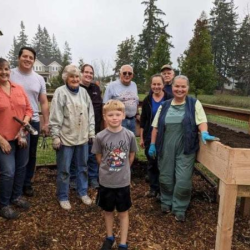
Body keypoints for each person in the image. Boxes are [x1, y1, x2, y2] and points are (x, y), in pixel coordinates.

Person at [148, 75, 217, 222]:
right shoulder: (165, 105)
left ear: (187, 88)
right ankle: (166, 201)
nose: (180, 89)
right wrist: (153, 144)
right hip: (166, 147)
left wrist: (204, 132)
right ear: (171, 87)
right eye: (176, 86)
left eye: (183, 87)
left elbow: (202, 120)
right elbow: (155, 127)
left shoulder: (193, 104)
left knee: (183, 180)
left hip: (185, 148)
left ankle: (179, 207)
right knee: (165, 176)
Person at [92, 100, 138, 250]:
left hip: (123, 182)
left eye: (118, 114)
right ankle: (109, 237)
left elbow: (131, 156)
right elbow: (99, 157)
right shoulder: (100, 137)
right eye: (110, 114)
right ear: (105, 116)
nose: (114, 117)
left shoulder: (130, 135)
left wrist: (123, 169)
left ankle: (123, 243)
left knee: (123, 212)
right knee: (108, 211)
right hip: (106, 181)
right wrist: (108, 169)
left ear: (123, 115)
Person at [49, 65, 95, 210]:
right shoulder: (60, 93)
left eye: (76, 77)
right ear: (66, 78)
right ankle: (63, 196)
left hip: (82, 137)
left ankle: (82, 192)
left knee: (83, 167)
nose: (75, 79)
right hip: (65, 138)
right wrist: (55, 135)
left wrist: (91, 132)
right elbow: (55, 115)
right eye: (71, 76)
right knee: (64, 169)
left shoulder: (83, 93)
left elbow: (90, 114)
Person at [10, 46, 50, 197]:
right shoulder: (10, 74)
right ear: (19, 57)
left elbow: (44, 102)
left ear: (34, 60)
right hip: (13, 121)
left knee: (31, 154)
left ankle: (27, 183)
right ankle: (12, 184)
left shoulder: (39, 79)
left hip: (32, 122)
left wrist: (45, 122)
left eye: (31, 58)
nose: (27, 59)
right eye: (24, 56)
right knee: (13, 154)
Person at [0, 58, 33, 219]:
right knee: (8, 171)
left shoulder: (18, 88)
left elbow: (29, 110)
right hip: (4, 140)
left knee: (21, 168)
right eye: (0, 69)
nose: (4, 72)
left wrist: (23, 128)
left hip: (21, 137)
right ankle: (4, 204)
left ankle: (16, 196)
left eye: (6, 69)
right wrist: (1, 140)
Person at [140, 74, 172, 198]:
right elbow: (143, 120)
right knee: (152, 163)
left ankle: (163, 189)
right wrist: (142, 138)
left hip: (165, 135)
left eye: (159, 84)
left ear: (163, 85)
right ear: (151, 85)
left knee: (163, 163)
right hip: (149, 135)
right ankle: (153, 188)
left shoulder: (169, 99)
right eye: (154, 84)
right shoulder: (148, 100)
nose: (156, 86)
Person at [70, 64, 102, 189]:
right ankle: (74, 178)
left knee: (93, 154)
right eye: (86, 72)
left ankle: (93, 178)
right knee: (76, 155)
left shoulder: (96, 88)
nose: (89, 75)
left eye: (91, 73)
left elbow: (100, 107)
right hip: (79, 128)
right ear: (81, 73)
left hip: (95, 128)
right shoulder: (76, 88)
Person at [103, 65, 139, 134]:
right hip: (118, 121)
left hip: (132, 121)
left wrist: (137, 114)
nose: (127, 75)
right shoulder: (112, 86)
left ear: (132, 75)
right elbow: (105, 106)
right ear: (120, 74)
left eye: (130, 73)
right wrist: (106, 128)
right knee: (119, 143)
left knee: (131, 143)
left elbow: (135, 101)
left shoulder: (134, 85)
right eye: (124, 73)